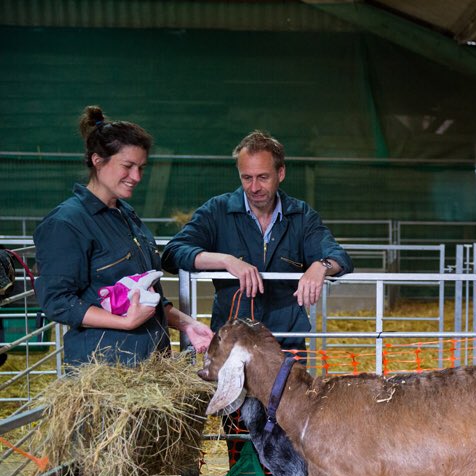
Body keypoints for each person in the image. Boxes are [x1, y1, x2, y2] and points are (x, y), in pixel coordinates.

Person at [34, 106, 213, 366]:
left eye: (141, 167)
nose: (137, 177)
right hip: (106, 369)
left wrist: (187, 324)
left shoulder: (126, 215)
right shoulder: (66, 223)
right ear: (97, 160)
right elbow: (57, 302)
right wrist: (124, 322)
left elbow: (143, 294)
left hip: (151, 365)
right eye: (127, 166)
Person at [161, 130, 352, 351]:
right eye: (246, 178)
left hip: (285, 343)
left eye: (263, 177)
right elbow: (173, 253)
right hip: (231, 341)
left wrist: (321, 265)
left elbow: (339, 256)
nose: (254, 188)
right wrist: (226, 260)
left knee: (287, 387)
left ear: (280, 173)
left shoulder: (300, 216)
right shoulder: (217, 211)